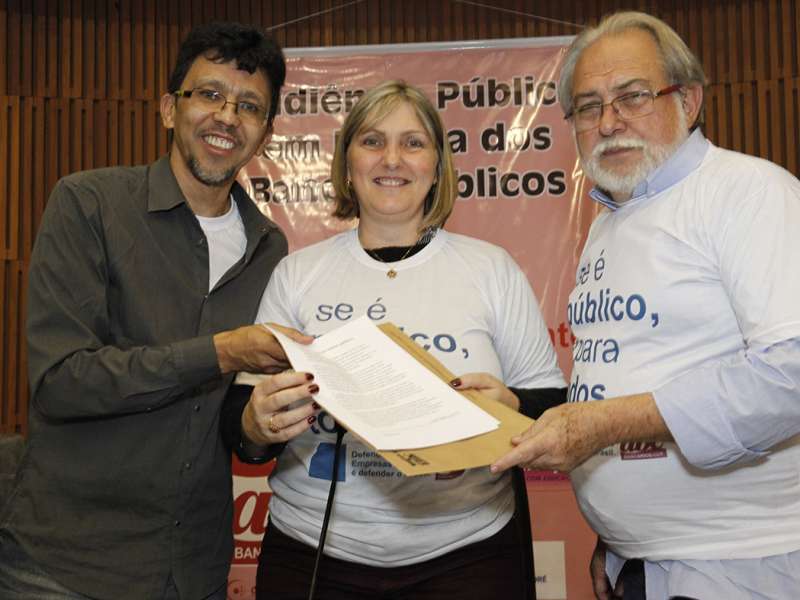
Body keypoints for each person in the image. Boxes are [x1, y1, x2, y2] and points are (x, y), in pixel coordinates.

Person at [483, 11, 800, 600]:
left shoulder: (749, 192)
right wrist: (620, 535)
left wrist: (608, 424)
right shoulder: (613, 218)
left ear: (690, 100)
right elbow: (625, 373)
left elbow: (792, 371)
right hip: (644, 564)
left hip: (740, 565)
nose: (608, 122)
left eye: (632, 96)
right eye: (587, 106)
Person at [0, 22, 314, 600]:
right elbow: (61, 382)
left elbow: (237, 422)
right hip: (65, 566)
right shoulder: (87, 204)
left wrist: (262, 425)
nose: (227, 117)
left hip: (194, 568)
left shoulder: (270, 248)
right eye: (210, 95)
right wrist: (220, 351)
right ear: (170, 108)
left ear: (265, 136)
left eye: (249, 106)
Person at [226, 80, 566, 599]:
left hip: (468, 554)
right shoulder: (297, 274)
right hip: (312, 554)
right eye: (372, 141)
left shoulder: (490, 269)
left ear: (436, 165)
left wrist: (511, 407)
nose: (392, 159)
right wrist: (257, 421)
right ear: (346, 164)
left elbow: (554, 407)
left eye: (412, 142)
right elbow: (242, 428)